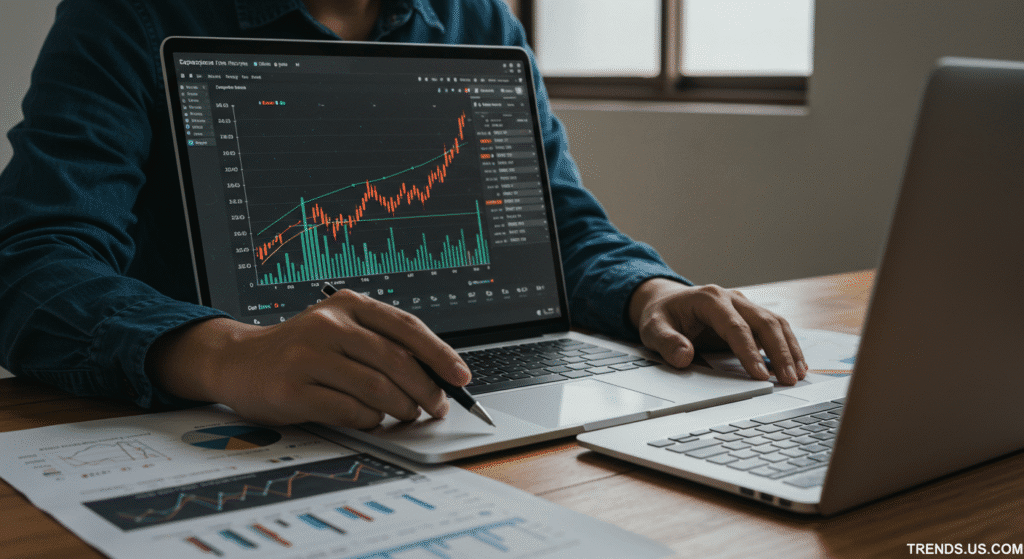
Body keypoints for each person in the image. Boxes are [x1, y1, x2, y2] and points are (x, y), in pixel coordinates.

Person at [0, 0, 806, 429]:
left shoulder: (482, 20)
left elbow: (561, 227)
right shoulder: (124, 14)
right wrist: (231, 357)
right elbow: (33, 264)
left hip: (472, 404)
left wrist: (648, 292)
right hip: (230, 437)